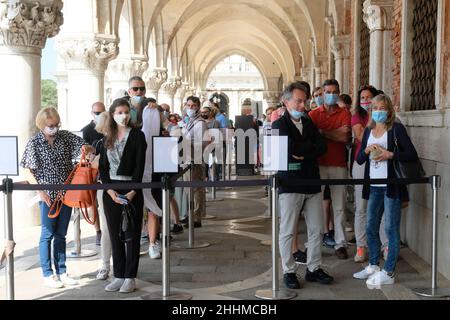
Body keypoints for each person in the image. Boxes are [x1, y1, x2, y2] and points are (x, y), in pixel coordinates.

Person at [21, 107, 90, 288]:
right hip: (47, 196)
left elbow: (85, 146)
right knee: (47, 234)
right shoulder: (34, 143)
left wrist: (86, 148)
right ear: (42, 125)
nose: (53, 128)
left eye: (56, 125)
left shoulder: (65, 137)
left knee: (61, 234)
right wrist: (40, 192)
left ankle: (62, 270)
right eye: (50, 126)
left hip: (66, 194)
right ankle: (47, 273)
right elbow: (28, 169)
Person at [272, 82, 333, 289]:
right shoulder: (279, 125)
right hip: (290, 184)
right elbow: (289, 149)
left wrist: (302, 151)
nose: (302, 105)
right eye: (298, 100)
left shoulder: (308, 123)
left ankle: (314, 268)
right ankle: (289, 271)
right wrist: (308, 149)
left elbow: (321, 146)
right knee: (288, 231)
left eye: (304, 100)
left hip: (312, 182)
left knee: (316, 229)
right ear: (286, 101)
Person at [353, 94, 418, 287]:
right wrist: (366, 151)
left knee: (390, 229)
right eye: (375, 108)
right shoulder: (368, 131)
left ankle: (389, 272)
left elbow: (411, 154)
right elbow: (359, 159)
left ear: (389, 110)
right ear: (371, 110)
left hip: (391, 187)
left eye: (383, 108)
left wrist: (390, 154)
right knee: (371, 227)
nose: (379, 111)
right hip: (374, 187)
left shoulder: (396, 129)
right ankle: (373, 265)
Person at [99, 98, 147, 293]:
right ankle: (118, 274)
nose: (124, 116)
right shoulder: (106, 137)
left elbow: (139, 164)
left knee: (132, 234)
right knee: (114, 233)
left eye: (126, 112)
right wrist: (109, 191)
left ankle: (130, 276)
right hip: (111, 190)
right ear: (112, 114)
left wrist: (133, 191)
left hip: (132, 188)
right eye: (119, 112)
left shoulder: (137, 135)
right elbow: (103, 167)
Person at [309, 79, 352, 260]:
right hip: (318, 164)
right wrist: (335, 132)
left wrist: (323, 132)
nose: (330, 95)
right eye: (328, 91)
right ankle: (316, 242)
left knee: (339, 205)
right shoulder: (313, 114)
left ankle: (340, 243)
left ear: (338, 92)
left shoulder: (344, 113)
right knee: (315, 206)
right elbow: (311, 138)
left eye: (334, 91)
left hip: (338, 164)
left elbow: (345, 137)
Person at [351, 85, 379, 263]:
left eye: (369, 97)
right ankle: (361, 246)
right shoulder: (357, 116)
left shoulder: (383, 114)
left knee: (380, 207)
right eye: (362, 98)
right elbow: (362, 137)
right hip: (362, 162)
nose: (365, 101)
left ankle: (384, 245)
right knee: (361, 206)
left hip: (381, 162)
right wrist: (371, 118)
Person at [91, 111, 114, 280]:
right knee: (108, 229)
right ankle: (106, 264)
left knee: (108, 229)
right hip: (106, 188)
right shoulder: (99, 143)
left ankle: (106, 265)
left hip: (108, 188)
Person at [81, 101, 106, 246]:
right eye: (97, 113)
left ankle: (107, 230)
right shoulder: (86, 130)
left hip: (107, 170)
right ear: (92, 113)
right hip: (91, 170)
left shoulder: (109, 127)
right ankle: (98, 231)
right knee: (92, 203)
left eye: (102, 112)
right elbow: (84, 151)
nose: (100, 115)